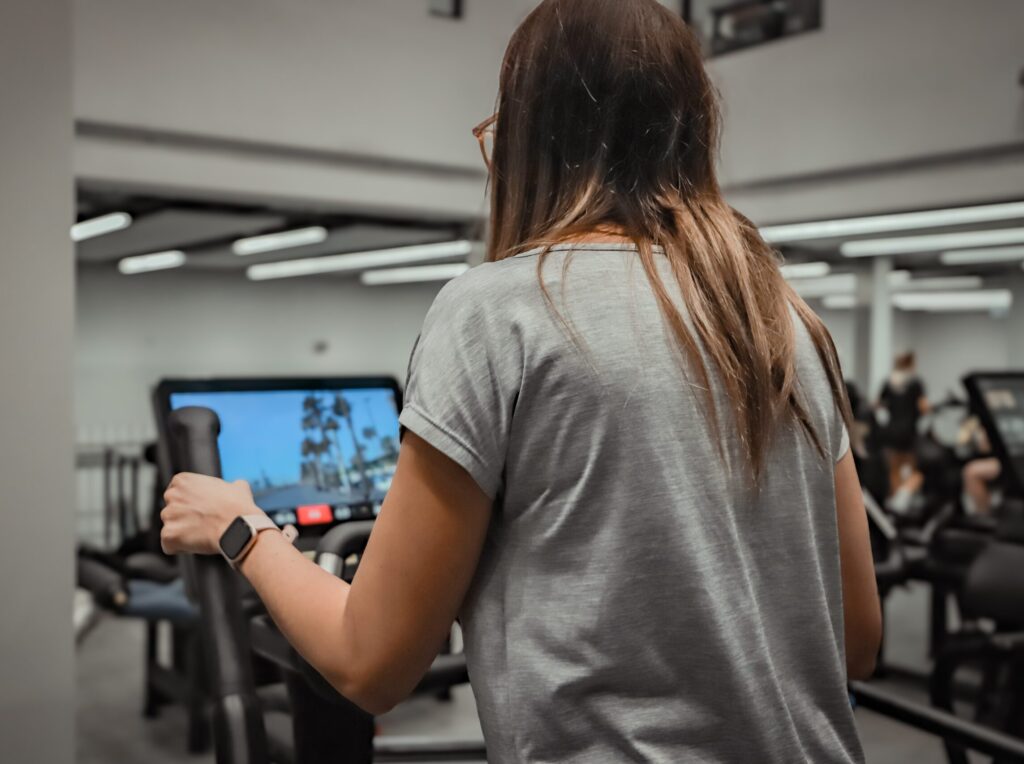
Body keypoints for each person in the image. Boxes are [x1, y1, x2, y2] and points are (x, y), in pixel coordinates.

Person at [159, 1, 881, 761]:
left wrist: (238, 528)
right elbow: (856, 638)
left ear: (532, 140)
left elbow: (369, 663)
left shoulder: (497, 314)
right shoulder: (784, 321)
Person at [878, 351, 929, 502]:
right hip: (909, 432)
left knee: (894, 469)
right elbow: (923, 407)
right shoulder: (915, 382)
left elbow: (879, 403)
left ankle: (895, 500)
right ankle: (904, 497)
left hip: (891, 430)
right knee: (913, 468)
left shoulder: (889, 382)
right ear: (911, 363)